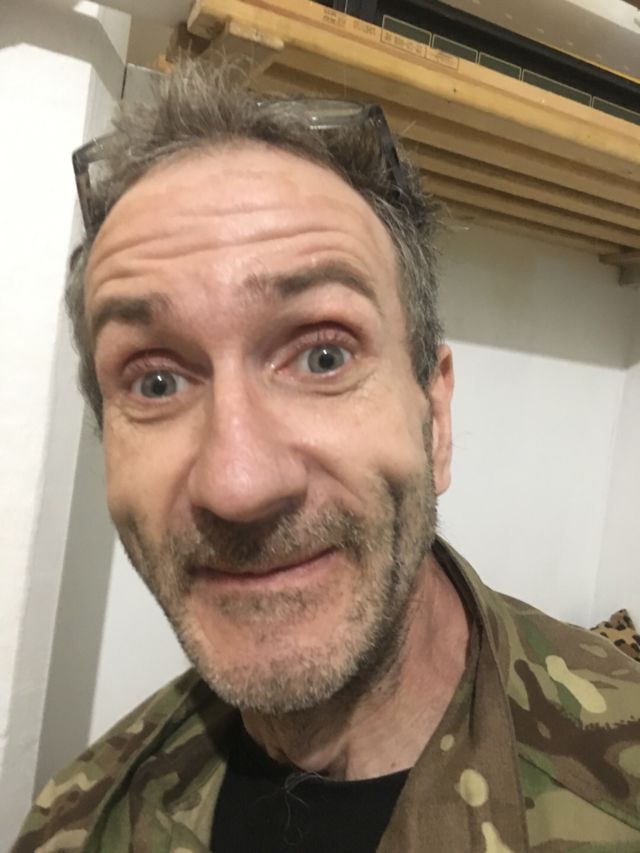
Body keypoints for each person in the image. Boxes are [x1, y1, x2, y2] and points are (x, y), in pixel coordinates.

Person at [12, 59, 640, 853]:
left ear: (435, 419)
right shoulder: (73, 824)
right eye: (157, 380)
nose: (238, 482)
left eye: (322, 356)